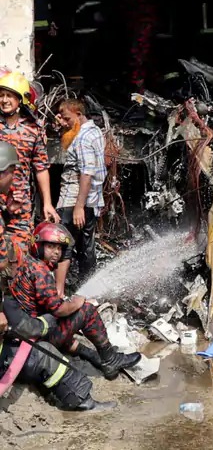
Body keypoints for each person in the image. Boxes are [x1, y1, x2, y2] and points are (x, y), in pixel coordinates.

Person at [0, 141, 113, 411]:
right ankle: (83, 402)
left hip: (15, 324)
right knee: (46, 357)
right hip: (12, 340)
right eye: (12, 172)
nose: (15, 179)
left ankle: (103, 362)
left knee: (42, 340)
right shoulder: (35, 272)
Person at [9, 220, 141, 379]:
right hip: (38, 339)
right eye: (51, 246)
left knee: (66, 322)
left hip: (28, 333)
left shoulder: (28, 263)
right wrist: (77, 303)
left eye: (59, 248)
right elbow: (59, 310)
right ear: (38, 245)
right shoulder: (41, 272)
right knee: (87, 311)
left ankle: (95, 357)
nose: (56, 252)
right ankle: (110, 360)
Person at [0, 70, 60, 253]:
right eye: (1, 95)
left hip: (21, 203)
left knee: (19, 253)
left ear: (20, 99)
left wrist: (47, 203)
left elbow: (41, 168)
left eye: (9, 96)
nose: (4, 100)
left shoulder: (34, 129)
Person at [53, 99, 106, 293]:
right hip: (91, 201)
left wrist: (78, 207)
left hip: (74, 199)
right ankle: (87, 291)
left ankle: (59, 291)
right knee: (86, 247)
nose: (64, 122)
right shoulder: (95, 132)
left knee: (62, 244)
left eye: (67, 118)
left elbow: (87, 173)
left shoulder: (82, 138)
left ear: (79, 114)